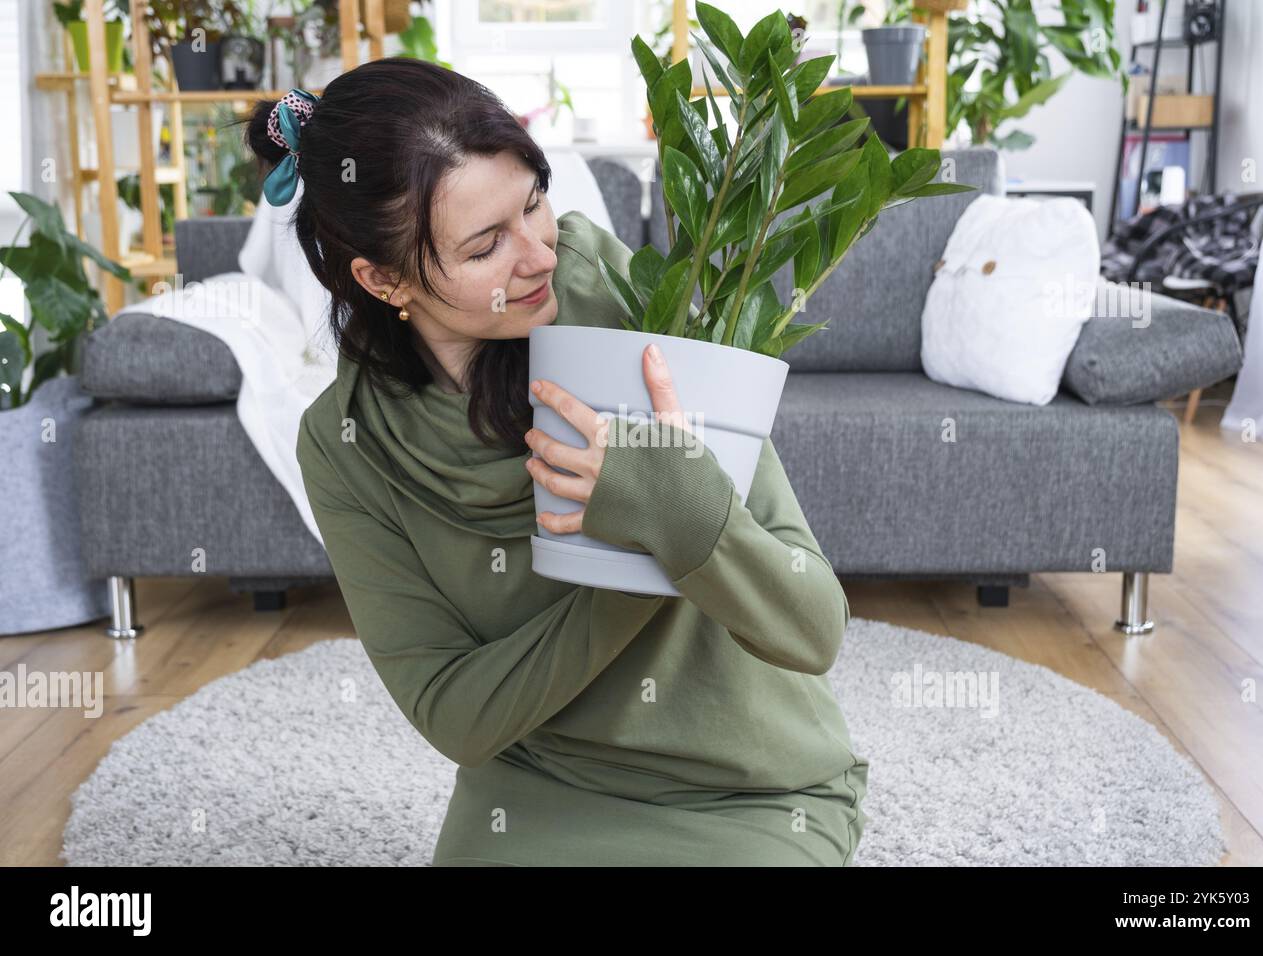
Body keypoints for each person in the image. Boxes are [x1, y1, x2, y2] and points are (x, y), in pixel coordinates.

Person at [245, 56, 869, 866]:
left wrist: (672, 500)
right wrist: (649, 548)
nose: (538, 255)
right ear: (383, 278)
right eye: (486, 246)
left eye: (535, 202)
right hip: (536, 784)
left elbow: (812, 625)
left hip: (752, 785)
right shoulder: (349, 446)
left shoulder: (633, 299)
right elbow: (454, 713)